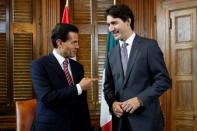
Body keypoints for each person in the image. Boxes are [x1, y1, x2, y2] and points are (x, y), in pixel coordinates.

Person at [103, 4, 171, 131]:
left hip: (146, 122)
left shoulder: (149, 46)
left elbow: (163, 81)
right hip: (120, 123)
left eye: (114, 23)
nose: (110, 29)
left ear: (128, 21)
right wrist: (112, 103)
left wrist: (140, 99)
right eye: (108, 25)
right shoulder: (111, 54)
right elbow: (108, 86)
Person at [30, 23, 96, 131]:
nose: (78, 46)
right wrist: (78, 87)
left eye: (77, 42)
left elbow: (82, 104)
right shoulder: (39, 65)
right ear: (60, 43)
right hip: (51, 127)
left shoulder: (78, 67)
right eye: (74, 42)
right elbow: (48, 97)